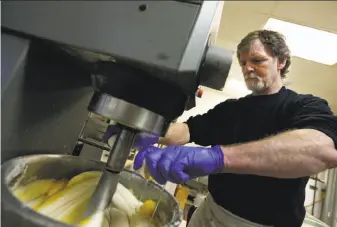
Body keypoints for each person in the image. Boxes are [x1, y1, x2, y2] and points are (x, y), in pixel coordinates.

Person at [104, 30, 337, 227]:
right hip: (211, 212)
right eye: (243, 62)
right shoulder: (231, 109)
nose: (248, 68)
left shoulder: (304, 106)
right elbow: (186, 130)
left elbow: (322, 151)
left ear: (281, 62)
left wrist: (218, 157)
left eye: (257, 60)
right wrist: (143, 129)